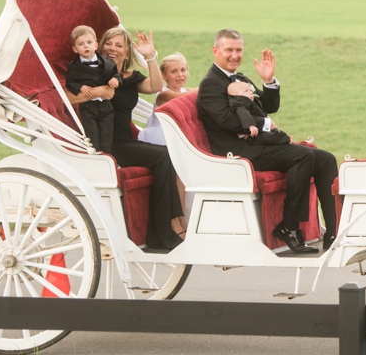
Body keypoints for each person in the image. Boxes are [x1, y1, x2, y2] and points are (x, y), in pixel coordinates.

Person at [197, 29, 338, 253]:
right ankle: (289, 227)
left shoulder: (239, 77)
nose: (235, 55)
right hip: (238, 151)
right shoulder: (211, 84)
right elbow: (226, 120)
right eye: (229, 50)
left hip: (259, 143)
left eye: (239, 50)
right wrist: (266, 125)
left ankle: (333, 233)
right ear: (216, 50)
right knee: (302, 155)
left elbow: (269, 107)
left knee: (326, 159)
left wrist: (268, 80)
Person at [99, 27, 185, 249]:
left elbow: (155, 86)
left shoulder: (130, 77)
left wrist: (149, 56)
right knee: (163, 157)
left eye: (119, 46)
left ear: (127, 53)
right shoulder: (95, 75)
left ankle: (172, 225)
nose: (112, 49)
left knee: (167, 156)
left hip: (127, 140)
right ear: (101, 46)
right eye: (108, 43)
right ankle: (165, 230)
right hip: (109, 142)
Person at [64, 25, 119, 154]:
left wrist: (116, 79)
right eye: (81, 44)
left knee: (107, 134)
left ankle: (107, 158)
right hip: (88, 107)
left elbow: (116, 74)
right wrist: (81, 87)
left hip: (106, 106)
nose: (86, 46)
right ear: (75, 49)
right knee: (92, 136)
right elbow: (70, 82)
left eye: (89, 43)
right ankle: (95, 159)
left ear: (96, 45)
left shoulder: (108, 63)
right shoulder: (73, 67)